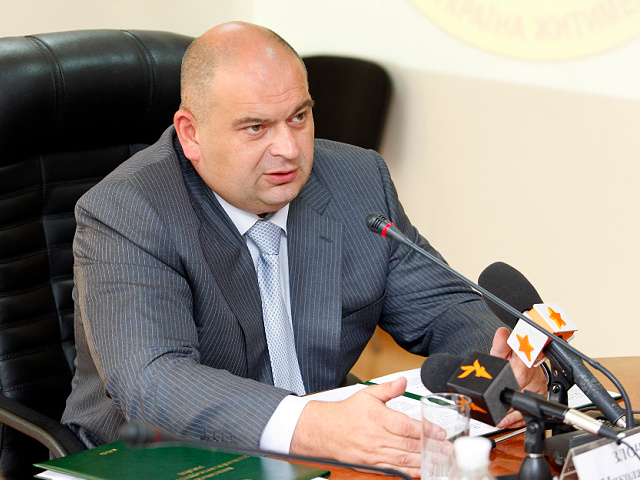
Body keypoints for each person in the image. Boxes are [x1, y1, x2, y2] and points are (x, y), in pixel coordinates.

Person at [61, 22, 546, 478]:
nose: (289, 149)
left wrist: (498, 368)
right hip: (158, 457)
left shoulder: (356, 181)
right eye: (255, 128)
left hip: (324, 459)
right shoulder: (127, 210)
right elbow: (153, 382)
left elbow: (444, 308)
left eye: (299, 117)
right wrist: (312, 425)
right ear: (190, 133)